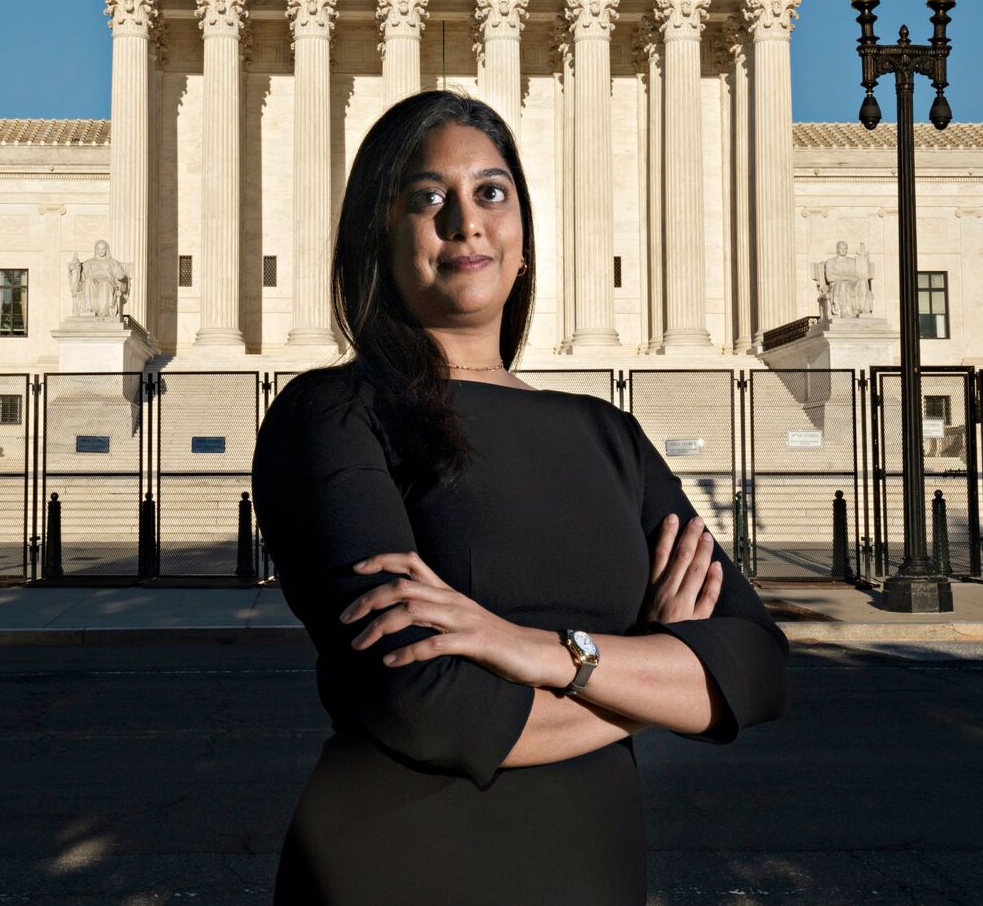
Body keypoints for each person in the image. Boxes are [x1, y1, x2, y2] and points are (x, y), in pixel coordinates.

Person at [252, 89, 790, 905]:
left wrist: (537, 649)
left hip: (591, 870)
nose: (466, 221)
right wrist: (648, 677)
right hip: (397, 867)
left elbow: (753, 665)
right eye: (426, 197)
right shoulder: (331, 414)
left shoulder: (609, 436)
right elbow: (425, 704)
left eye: (490, 192)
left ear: (525, 240)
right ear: (378, 239)